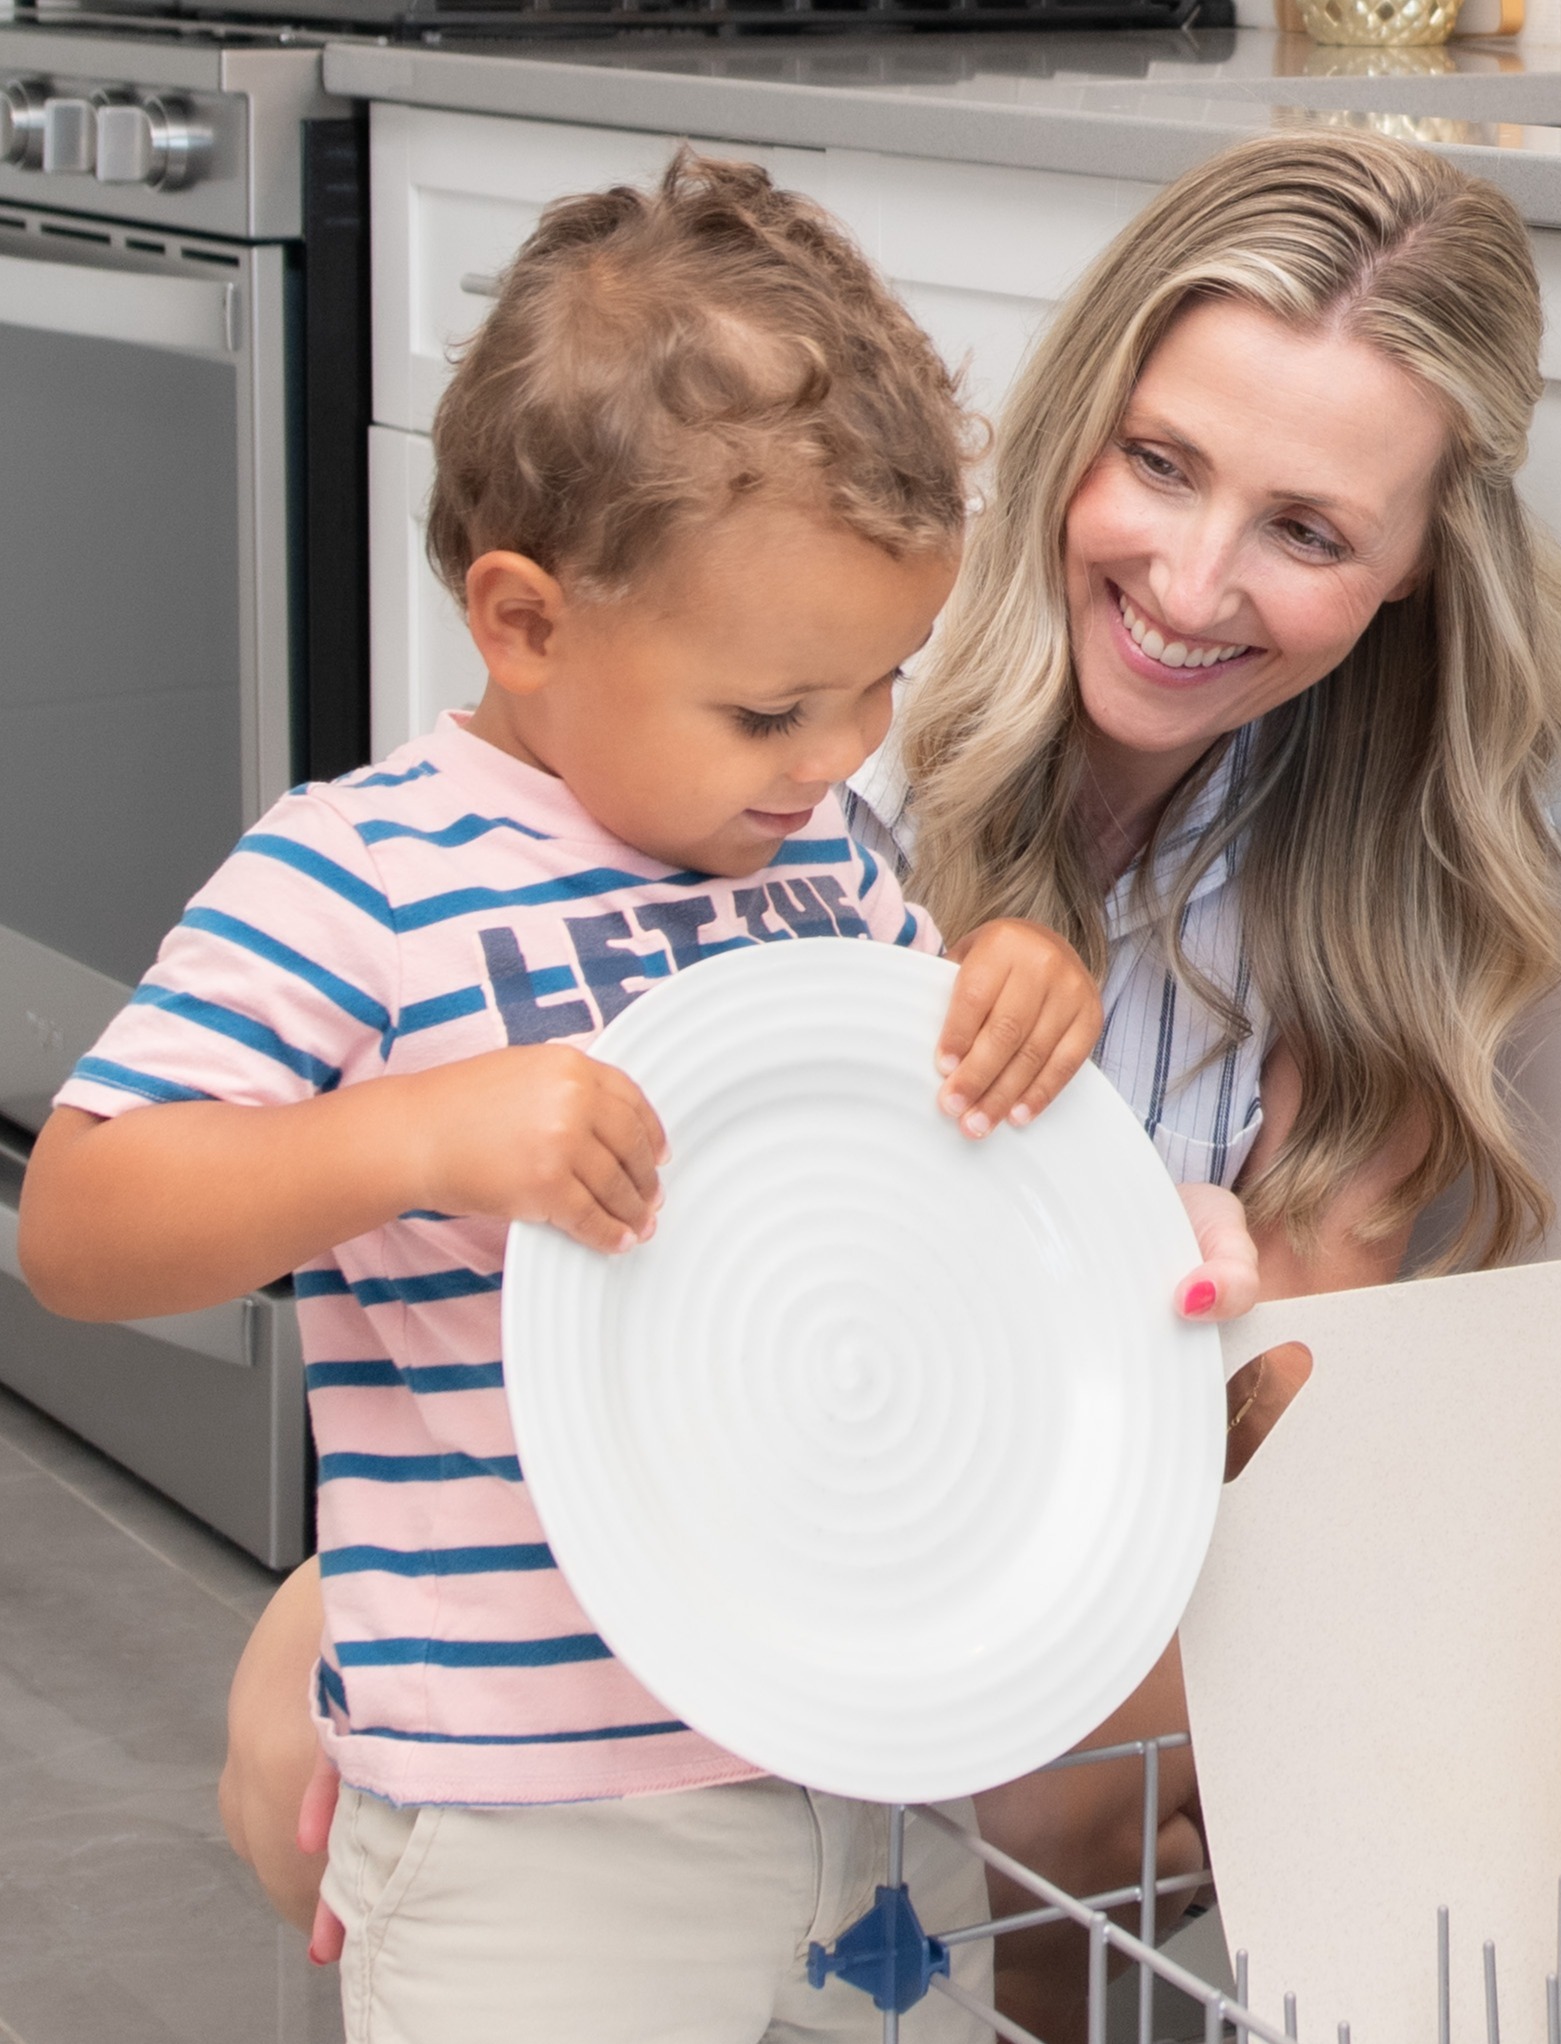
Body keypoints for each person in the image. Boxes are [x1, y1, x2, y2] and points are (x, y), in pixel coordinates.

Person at [215, 124, 1561, 2042]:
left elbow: (1279, 1422)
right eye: (1162, 465)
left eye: (1308, 529)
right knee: (307, 1694)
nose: (1190, 582)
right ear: (1074, 425)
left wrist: (1212, 1325)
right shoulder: (813, 710)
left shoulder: (1373, 912)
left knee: (1004, 1794)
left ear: (1416, 567)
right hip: (709, 1471)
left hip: (1010, 1546)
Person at [17, 153, 1257, 2044]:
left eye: (881, 688)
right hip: (533, 1831)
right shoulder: (362, 877)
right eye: (773, 712)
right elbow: (83, 1227)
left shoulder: (830, 864)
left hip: (864, 1772)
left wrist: (1015, 1003)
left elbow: (932, 1226)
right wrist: (414, 1137)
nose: (844, 756)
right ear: (523, 622)